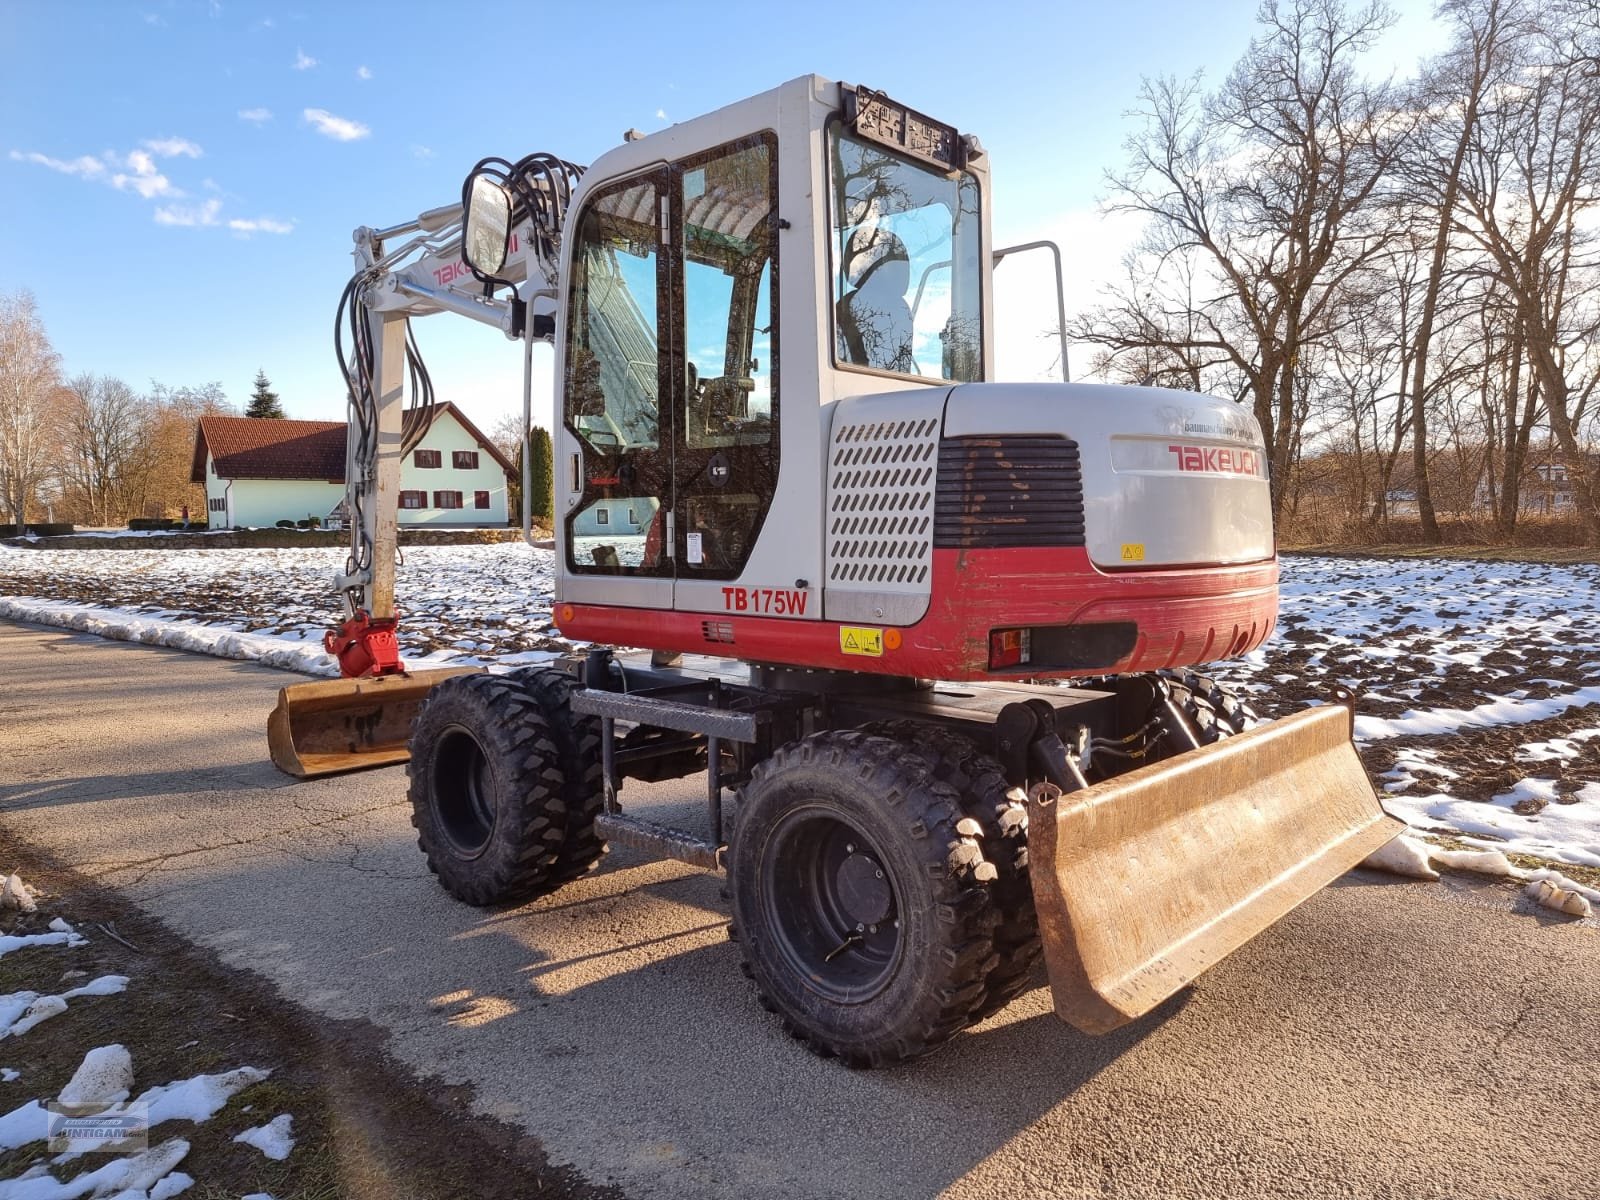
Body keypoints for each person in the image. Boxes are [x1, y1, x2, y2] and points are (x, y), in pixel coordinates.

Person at [837, 229, 916, 373]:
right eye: (894, 264)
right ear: (874, 268)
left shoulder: (898, 308)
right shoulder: (895, 308)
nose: (902, 273)